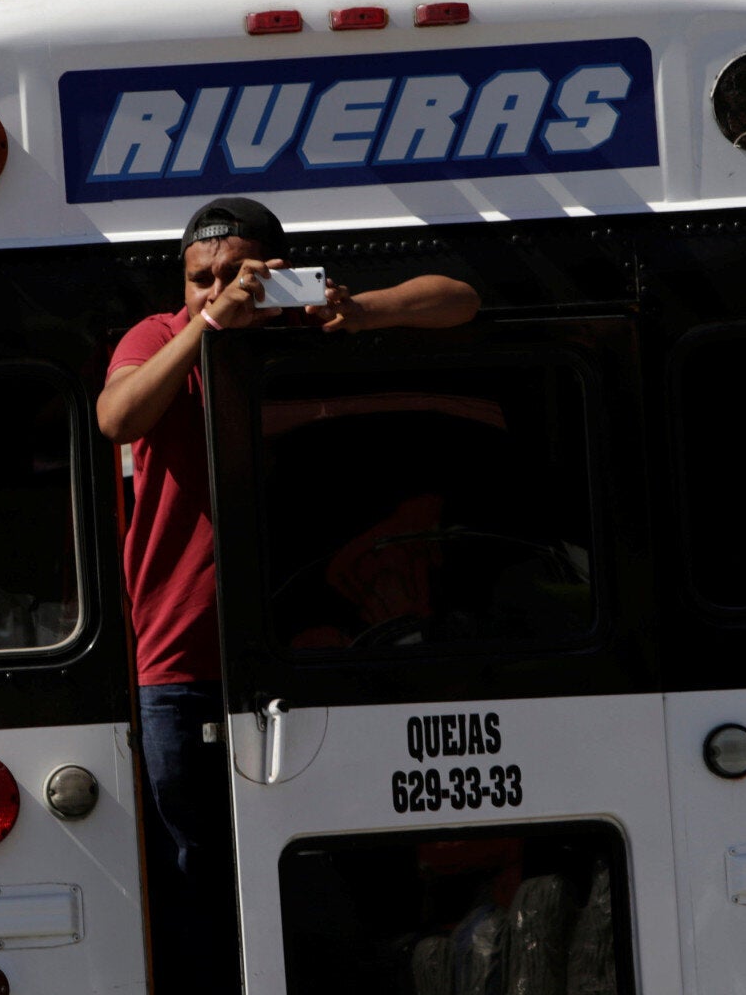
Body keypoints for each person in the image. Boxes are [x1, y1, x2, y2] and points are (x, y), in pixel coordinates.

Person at [96, 197, 479, 992]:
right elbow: (117, 416)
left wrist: (358, 309)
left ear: (276, 269)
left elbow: (459, 298)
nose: (215, 288)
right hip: (182, 667)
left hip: (322, 657)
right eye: (200, 277)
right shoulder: (161, 335)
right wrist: (207, 329)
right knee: (195, 879)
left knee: (348, 872)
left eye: (235, 273)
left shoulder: (302, 319)